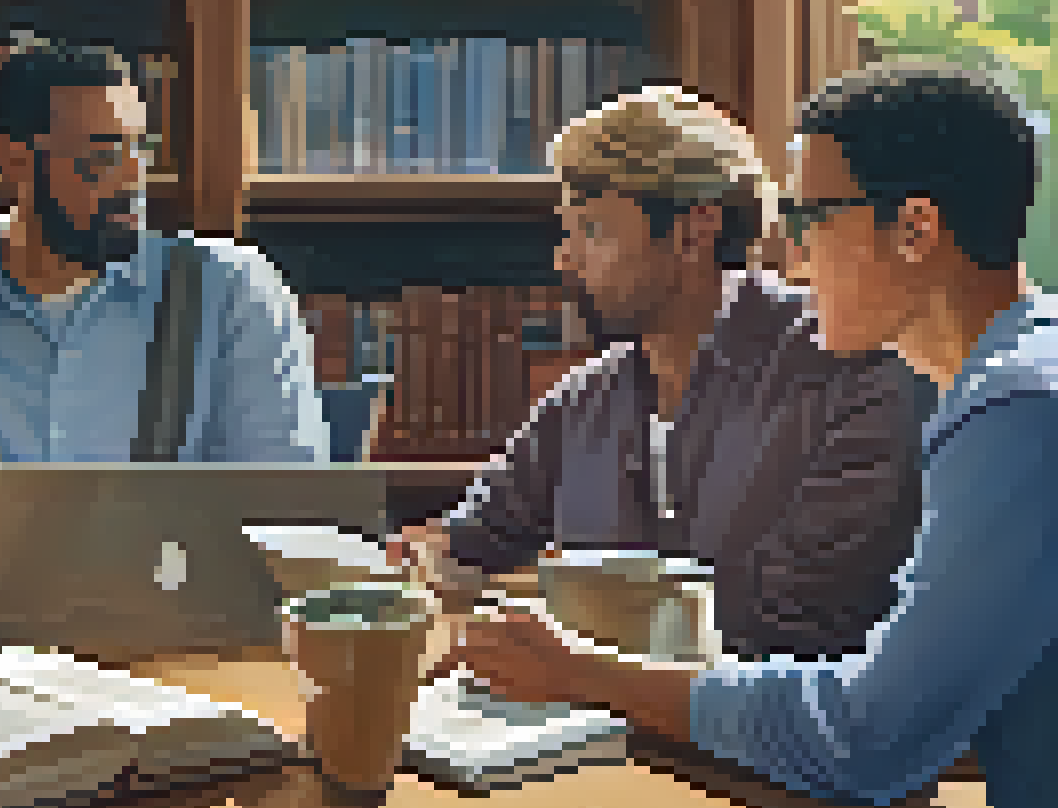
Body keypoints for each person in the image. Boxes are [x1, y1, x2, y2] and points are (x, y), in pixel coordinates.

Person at [444, 63, 1058, 808]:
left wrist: (592, 676)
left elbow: (868, 737)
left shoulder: (1016, 411)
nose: (791, 251)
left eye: (814, 218)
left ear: (915, 230)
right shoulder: (1010, 380)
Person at [390, 88, 927, 661]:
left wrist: (548, 616)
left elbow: (799, 619)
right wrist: (420, 564)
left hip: (764, 740)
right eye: (568, 231)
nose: (564, 259)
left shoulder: (856, 375)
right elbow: (470, 542)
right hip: (593, 737)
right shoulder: (583, 402)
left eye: (592, 230)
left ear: (693, 232)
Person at [0, 42, 327, 506]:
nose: (132, 177)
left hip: (175, 592)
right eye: (103, 156)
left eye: (140, 149)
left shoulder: (232, 294)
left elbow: (285, 505)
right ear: (17, 161)